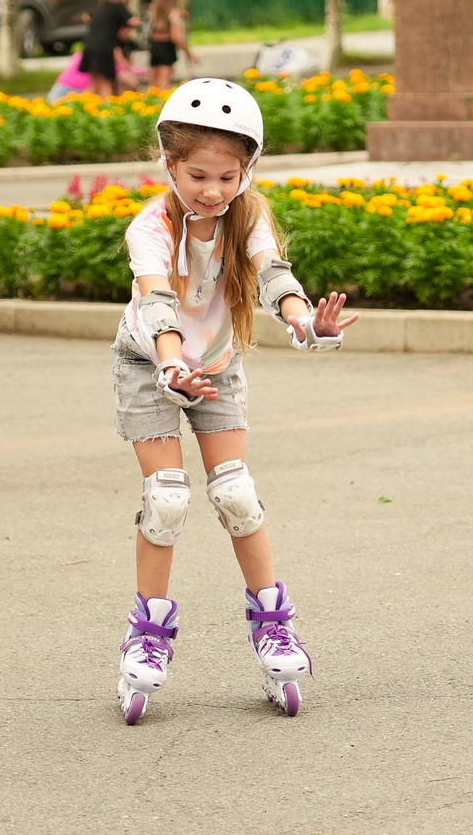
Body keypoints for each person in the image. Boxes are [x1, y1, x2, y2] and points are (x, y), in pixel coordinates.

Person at [112, 78, 356, 725]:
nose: (213, 190)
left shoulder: (247, 216)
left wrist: (307, 326)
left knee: (236, 493)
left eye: (228, 175)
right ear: (168, 163)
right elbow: (158, 301)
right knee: (167, 497)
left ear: (249, 170)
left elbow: (275, 277)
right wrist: (169, 364)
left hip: (215, 366)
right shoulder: (152, 226)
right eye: (197, 175)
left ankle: (274, 625)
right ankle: (148, 633)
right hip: (150, 364)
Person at [79, 0, 135, 96]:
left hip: (89, 46)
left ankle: (78, 107)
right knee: (106, 84)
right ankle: (108, 110)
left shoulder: (101, 8)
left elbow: (85, 17)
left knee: (93, 85)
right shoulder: (116, 5)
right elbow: (133, 21)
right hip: (104, 49)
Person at [146, 0, 191, 83]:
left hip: (154, 45)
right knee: (163, 82)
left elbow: (156, 22)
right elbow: (175, 37)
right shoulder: (173, 10)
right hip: (166, 47)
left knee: (154, 83)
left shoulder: (154, 7)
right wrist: (189, 52)